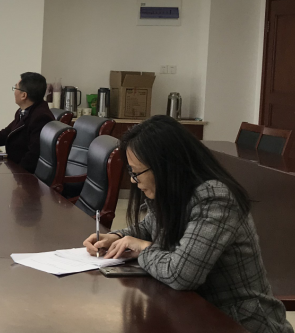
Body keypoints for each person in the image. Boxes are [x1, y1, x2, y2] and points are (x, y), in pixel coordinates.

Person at [82, 116, 293, 333]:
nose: (134, 181)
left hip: (243, 324)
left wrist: (144, 248)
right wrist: (116, 237)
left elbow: (181, 275)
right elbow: (149, 227)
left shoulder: (215, 198)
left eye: (136, 173)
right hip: (198, 316)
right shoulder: (175, 193)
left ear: (165, 166)